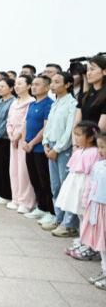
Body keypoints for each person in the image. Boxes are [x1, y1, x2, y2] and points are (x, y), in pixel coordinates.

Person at [41, 72, 79, 231]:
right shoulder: (55, 103)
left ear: (68, 84)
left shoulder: (73, 103)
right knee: (55, 186)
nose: (52, 85)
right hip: (51, 146)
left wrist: (57, 148)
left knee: (66, 186)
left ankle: (69, 224)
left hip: (63, 149)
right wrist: (45, 143)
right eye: (52, 82)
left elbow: (70, 130)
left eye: (57, 82)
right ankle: (59, 218)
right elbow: (49, 126)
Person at [54, 122, 100, 244]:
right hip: (75, 184)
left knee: (86, 213)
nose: (76, 138)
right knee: (79, 211)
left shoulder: (94, 152)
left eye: (79, 135)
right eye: (75, 135)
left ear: (90, 137)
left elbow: (93, 173)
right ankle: (82, 237)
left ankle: (87, 240)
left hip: (85, 185)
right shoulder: (79, 151)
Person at [22, 75, 54, 221]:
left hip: (40, 149)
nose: (34, 87)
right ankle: (40, 207)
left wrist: (32, 143)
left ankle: (49, 211)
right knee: (34, 179)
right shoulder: (32, 104)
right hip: (28, 147)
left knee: (44, 180)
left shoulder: (49, 104)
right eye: (33, 84)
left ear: (47, 87)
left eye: (37, 84)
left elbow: (45, 128)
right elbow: (26, 124)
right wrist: (24, 141)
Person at [79, 131, 106, 289]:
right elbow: (91, 184)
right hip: (97, 207)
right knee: (101, 242)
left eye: (103, 147)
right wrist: (87, 200)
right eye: (99, 147)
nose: (100, 150)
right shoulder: (98, 165)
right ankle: (104, 269)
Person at [6, 75, 36, 214]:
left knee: (23, 171)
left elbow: (26, 121)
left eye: (20, 83)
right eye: (16, 84)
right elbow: (9, 120)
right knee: (14, 169)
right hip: (13, 139)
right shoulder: (14, 102)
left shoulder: (31, 102)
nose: (16, 86)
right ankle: (16, 198)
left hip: (23, 139)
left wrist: (17, 135)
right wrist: (11, 134)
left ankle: (26, 202)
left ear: (29, 86)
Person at [74, 55, 106, 132]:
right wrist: (76, 140)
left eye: (92, 69)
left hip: (97, 138)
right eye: (87, 70)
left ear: (104, 71)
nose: (88, 73)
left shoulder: (104, 96)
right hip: (80, 137)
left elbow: (101, 129)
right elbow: (76, 123)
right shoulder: (85, 95)